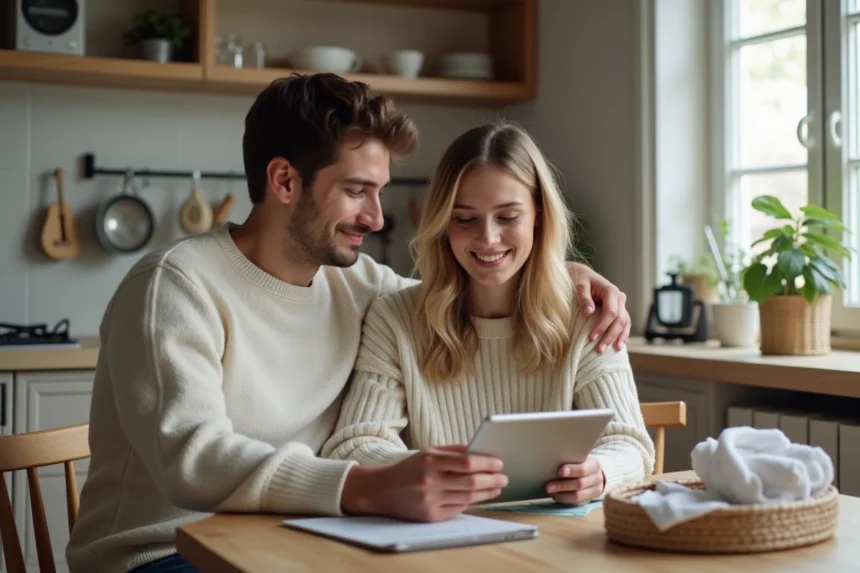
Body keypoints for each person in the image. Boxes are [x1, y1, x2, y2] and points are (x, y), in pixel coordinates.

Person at [66, 74, 633, 573]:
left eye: (379, 192)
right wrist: (365, 486)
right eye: (357, 191)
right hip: (167, 553)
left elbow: (466, 285)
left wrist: (564, 271)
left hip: (298, 539)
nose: (376, 216)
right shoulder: (175, 284)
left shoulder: (358, 285)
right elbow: (193, 458)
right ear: (285, 181)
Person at [322, 121, 655, 514]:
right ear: (443, 224)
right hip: (437, 538)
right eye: (465, 219)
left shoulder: (586, 315)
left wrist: (598, 473)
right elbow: (354, 445)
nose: (488, 238)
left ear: (539, 217)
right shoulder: (395, 319)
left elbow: (630, 444)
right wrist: (424, 471)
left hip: (555, 545)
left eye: (508, 217)